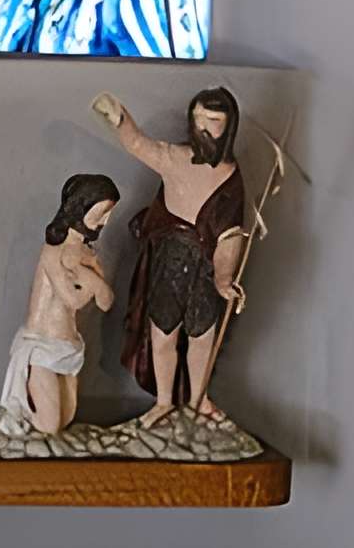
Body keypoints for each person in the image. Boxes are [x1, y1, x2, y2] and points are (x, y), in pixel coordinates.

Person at [91, 85, 249, 424]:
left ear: (229, 125)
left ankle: (197, 400)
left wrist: (224, 278)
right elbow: (138, 144)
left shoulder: (231, 179)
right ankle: (163, 402)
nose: (203, 127)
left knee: (201, 338)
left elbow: (230, 235)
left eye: (213, 120)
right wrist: (119, 117)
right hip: (169, 258)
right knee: (162, 334)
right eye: (198, 119)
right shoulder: (174, 158)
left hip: (205, 268)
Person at [0, 173, 120, 435]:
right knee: (49, 424)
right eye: (102, 212)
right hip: (44, 346)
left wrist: (94, 282)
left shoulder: (87, 255)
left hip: (69, 347)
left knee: (65, 420)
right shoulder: (53, 251)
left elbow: (107, 302)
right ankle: (14, 419)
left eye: (109, 214)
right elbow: (73, 299)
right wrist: (94, 283)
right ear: (81, 207)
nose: (105, 221)